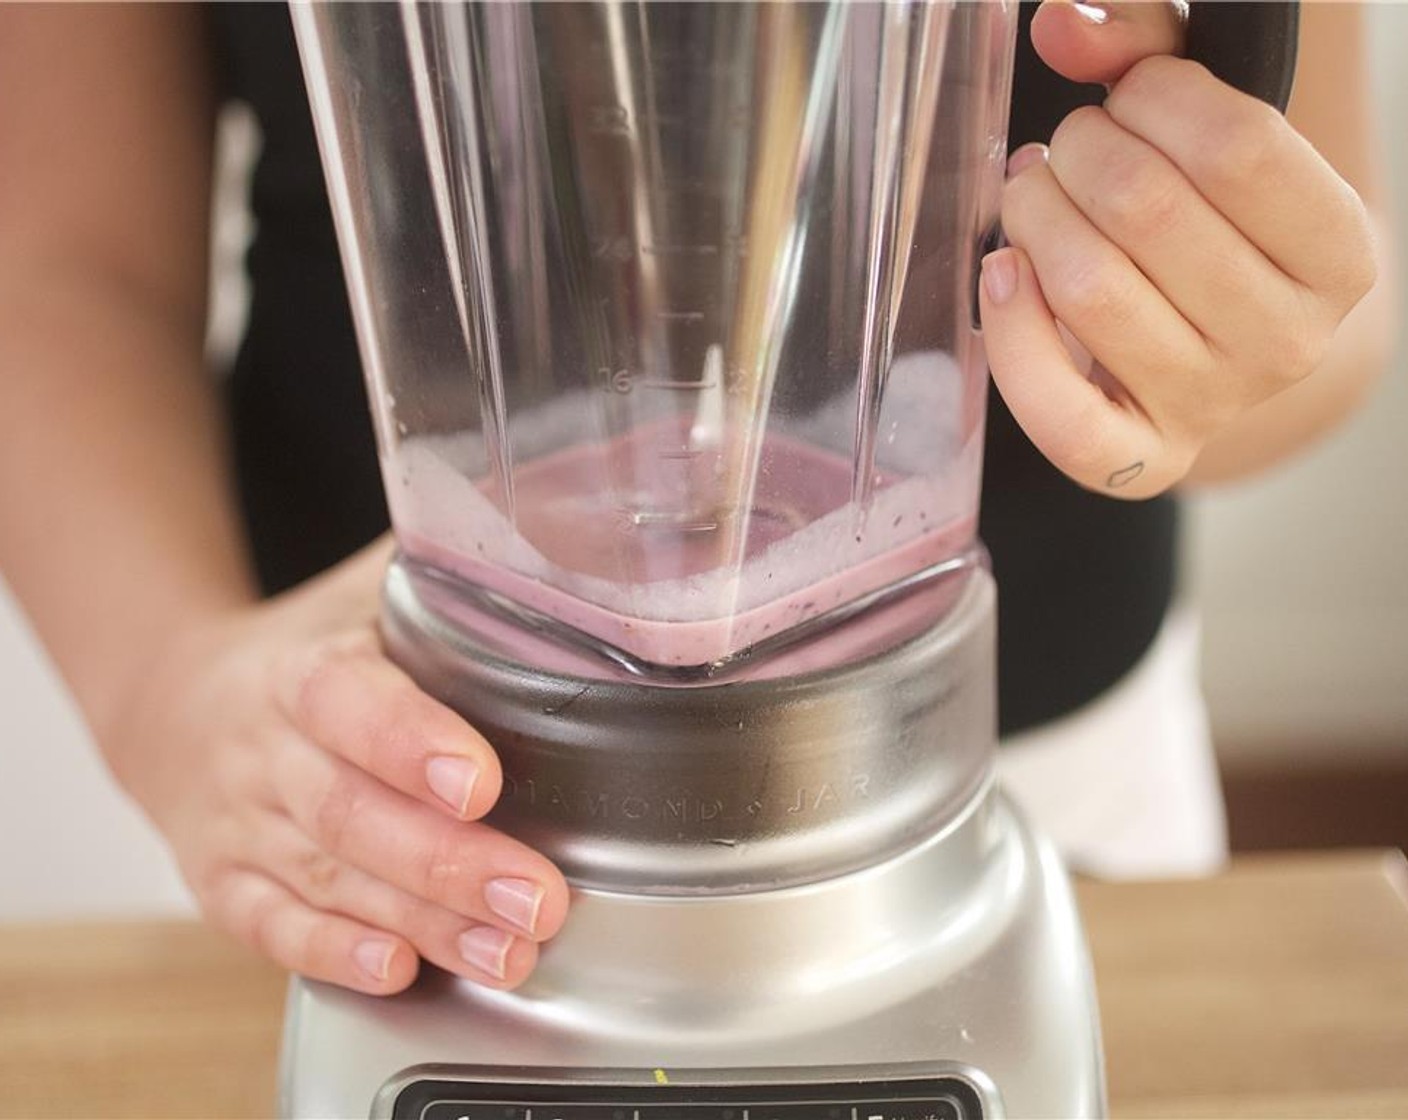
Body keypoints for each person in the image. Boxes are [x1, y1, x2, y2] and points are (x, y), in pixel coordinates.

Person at [0, 1, 1392, 997]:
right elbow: (59, 264)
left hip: (1025, 775)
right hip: (368, 818)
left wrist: (1197, 343)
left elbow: (1318, 252)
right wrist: (169, 689)